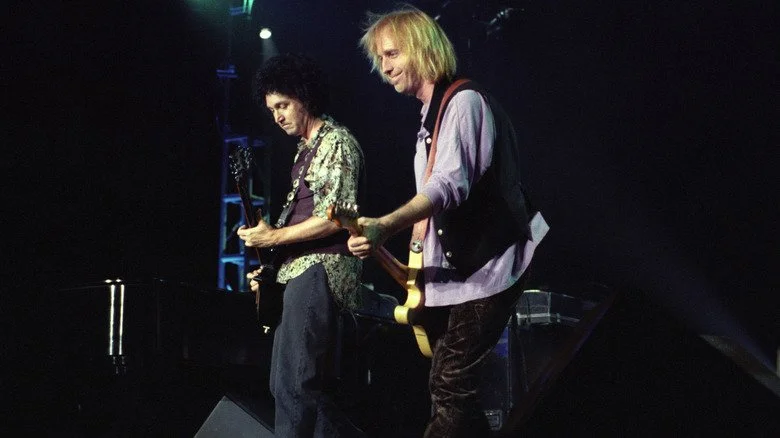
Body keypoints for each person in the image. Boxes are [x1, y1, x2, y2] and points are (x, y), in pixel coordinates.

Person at [352, 8, 549, 437]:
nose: (384, 67)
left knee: (449, 383)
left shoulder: (463, 102)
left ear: (422, 49)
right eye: (379, 59)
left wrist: (386, 223)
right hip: (462, 272)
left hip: (492, 265)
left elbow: (448, 185)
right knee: (454, 390)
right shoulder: (430, 117)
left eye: (391, 54)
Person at [237, 53, 365, 438]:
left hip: (319, 272)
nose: (277, 116)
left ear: (304, 97)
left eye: (283, 104)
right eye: (271, 108)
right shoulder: (304, 152)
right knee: (295, 389)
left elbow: (333, 216)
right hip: (299, 275)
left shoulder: (336, 142)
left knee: (296, 385)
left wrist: (273, 237)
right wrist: (270, 267)